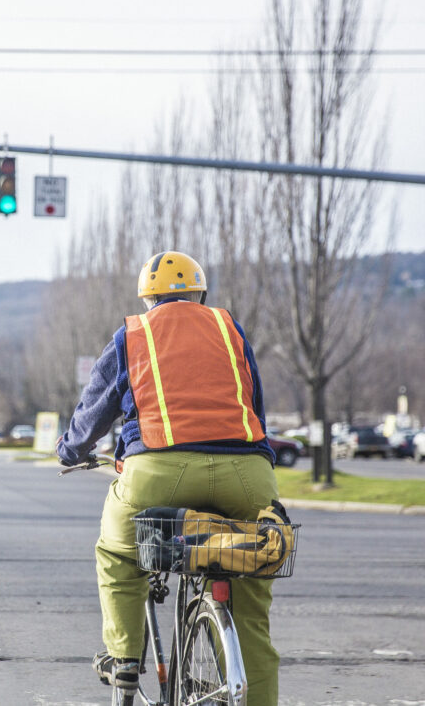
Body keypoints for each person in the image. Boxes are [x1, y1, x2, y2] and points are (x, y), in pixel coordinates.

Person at [57, 250, 281, 706]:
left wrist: (71, 450)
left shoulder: (132, 334)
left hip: (160, 469)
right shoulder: (230, 329)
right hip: (248, 473)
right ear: (200, 295)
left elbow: (95, 411)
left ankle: (123, 660)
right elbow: (255, 407)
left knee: (117, 550)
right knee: (250, 598)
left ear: (148, 300)